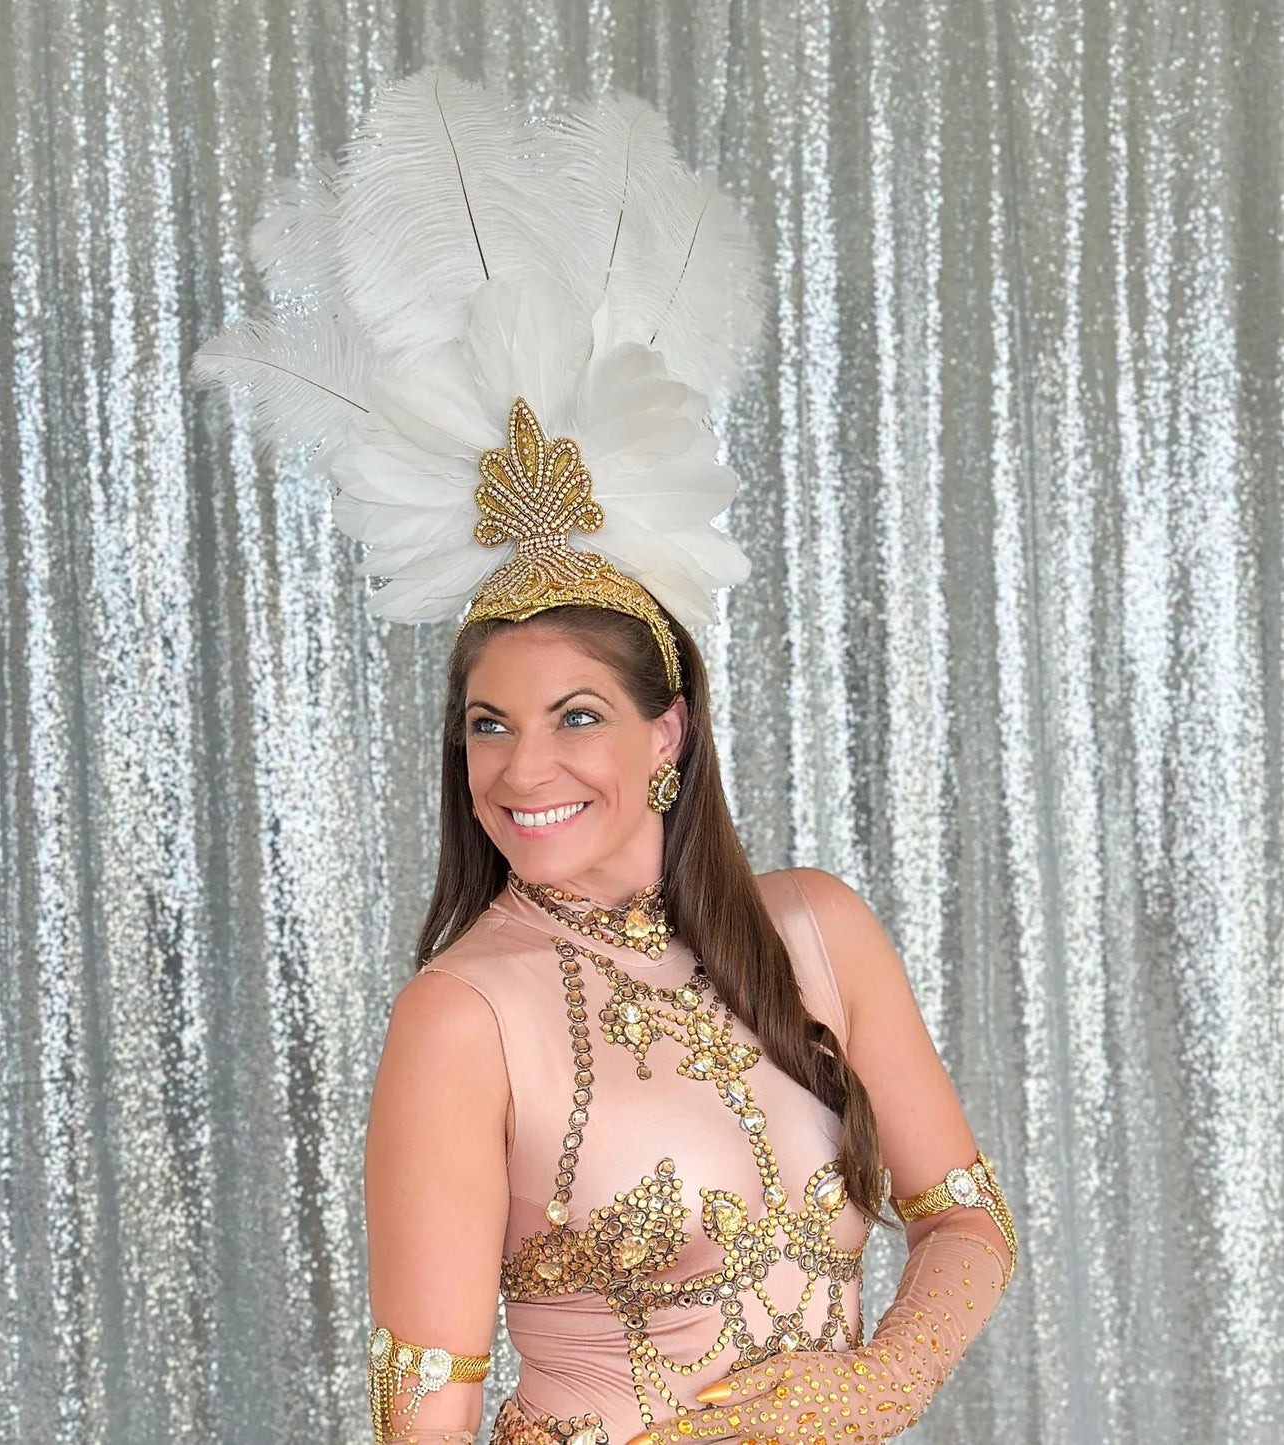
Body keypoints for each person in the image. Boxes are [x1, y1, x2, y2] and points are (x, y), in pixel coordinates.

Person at [190, 66, 1019, 1445]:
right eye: (487, 723)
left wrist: (879, 1382)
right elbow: (426, 1413)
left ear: (667, 731)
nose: (524, 769)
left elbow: (966, 1220)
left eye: (575, 714)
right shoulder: (459, 1018)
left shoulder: (813, 930)